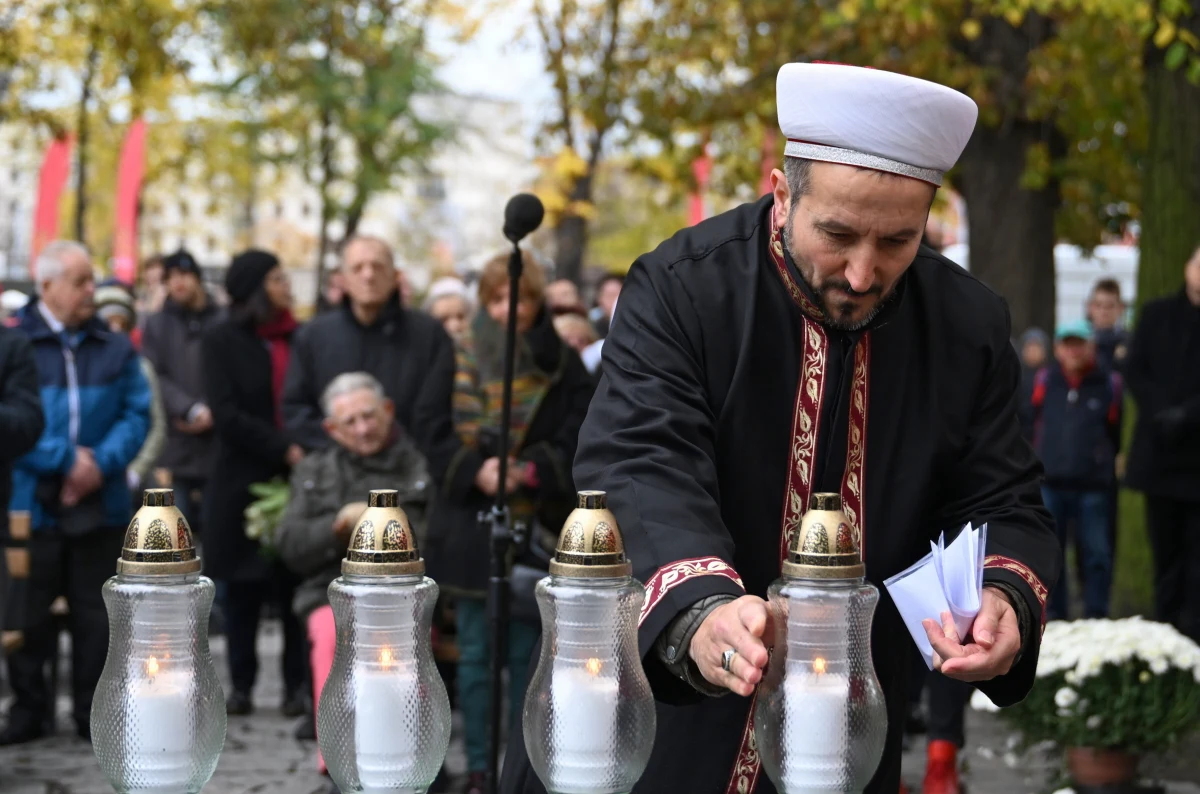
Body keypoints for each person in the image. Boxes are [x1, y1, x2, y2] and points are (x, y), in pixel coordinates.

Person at [499, 63, 1058, 794]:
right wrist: (702, 608)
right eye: (839, 233)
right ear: (782, 191)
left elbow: (1004, 500)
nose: (862, 273)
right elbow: (640, 459)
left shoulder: (967, 322)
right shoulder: (681, 289)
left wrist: (1003, 598)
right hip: (659, 711)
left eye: (897, 242)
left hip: (849, 725)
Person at [429, 250, 594, 794]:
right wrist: (476, 470)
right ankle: (478, 765)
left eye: (520, 298)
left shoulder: (560, 363)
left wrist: (530, 471)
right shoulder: (455, 355)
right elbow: (430, 426)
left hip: (536, 527)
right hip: (472, 525)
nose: (510, 309)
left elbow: (578, 430)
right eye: (499, 298)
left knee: (528, 654)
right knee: (475, 655)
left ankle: (523, 769)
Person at [3, 241, 150, 745]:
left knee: (97, 612)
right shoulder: (15, 343)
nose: (94, 290)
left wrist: (97, 465)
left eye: (93, 279)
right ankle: (29, 709)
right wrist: (64, 460)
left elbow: (138, 414)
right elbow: (13, 418)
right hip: (30, 502)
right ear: (46, 286)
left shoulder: (114, 346)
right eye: (81, 281)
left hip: (100, 502)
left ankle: (93, 711)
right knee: (27, 609)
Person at [275, 372, 432, 789]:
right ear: (331, 429)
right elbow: (289, 544)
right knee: (331, 633)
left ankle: (410, 756)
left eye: (369, 416)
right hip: (331, 590)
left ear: (388, 412)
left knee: (403, 640)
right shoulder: (314, 470)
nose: (363, 428)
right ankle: (339, 764)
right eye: (350, 422)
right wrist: (335, 527)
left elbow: (434, 536)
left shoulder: (418, 464)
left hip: (404, 594)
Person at [201, 250, 307, 717]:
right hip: (241, 476)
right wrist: (280, 446)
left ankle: (295, 686)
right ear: (256, 287)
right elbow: (226, 413)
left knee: (292, 588)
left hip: (296, 477)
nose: (288, 286)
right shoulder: (221, 338)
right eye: (279, 278)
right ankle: (241, 685)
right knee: (243, 591)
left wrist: (298, 449)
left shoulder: (299, 336)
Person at [281, 236, 458, 475]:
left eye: (377, 266)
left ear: (396, 276)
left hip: (410, 473)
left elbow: (435, 412)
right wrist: (344, 443)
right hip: (335, 475)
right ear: (342, 280)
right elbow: (296, 409)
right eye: (358, 268)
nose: (368, 275)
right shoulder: (313, 337)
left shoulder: (429, 335)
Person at [1124, 245, 1200, 642]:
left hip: (1196, 458)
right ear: (1187, 267)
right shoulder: (1156, 315)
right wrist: (1160, 412)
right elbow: (1135, 367)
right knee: (1166, 558)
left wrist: (1187, 415)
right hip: (1160, 457)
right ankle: (1168, 639)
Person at [1031, 320, 1121, 620]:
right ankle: (1054, 616)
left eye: (1079, 343)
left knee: (1096, 554)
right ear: (1057, 349)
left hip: (1093, 485)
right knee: (1050, 554)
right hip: (1050, 482)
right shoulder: (1044, 380)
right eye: (1067, 344)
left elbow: (1116, 430)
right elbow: (1029, 424)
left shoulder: (1108, 382)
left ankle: (1097, 616)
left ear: (1090, 346)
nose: (1074, 350)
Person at [140, 250, 224, 529]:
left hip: (218, 439)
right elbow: (155, 375)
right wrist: (190, 409)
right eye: (171, 277)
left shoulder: (222, 320)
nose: (178, 282)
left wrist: (213, 410)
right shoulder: (157, 324)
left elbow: (230, 372)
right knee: (176, 528)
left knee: (218, 527)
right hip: (176, 440)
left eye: (184, 274)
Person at [93, 283, 167, 500]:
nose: (115, 329)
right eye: (109, 322)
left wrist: (136, 471)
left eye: (121, 323)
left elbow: (157, 425)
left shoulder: (142, 367)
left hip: (135, 485)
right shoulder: (80, 368)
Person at [1086, 278, 1129, 373]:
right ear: (1090, 307)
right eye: (1098, 305)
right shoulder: (1081, 339)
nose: (1104, 311)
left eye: (1110, 306)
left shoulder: (1129, 341)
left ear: (1120, 308)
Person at [1016, 328, 1050, 442]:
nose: (1033, 351)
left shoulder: (1051, 377)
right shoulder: (1015, 376)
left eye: (1037, 346)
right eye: (1029, 346)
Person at [589, 273, 623, 338]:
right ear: (599, 299)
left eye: (619, 295)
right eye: (610, 295)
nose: (615, 301)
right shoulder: (591, 326)